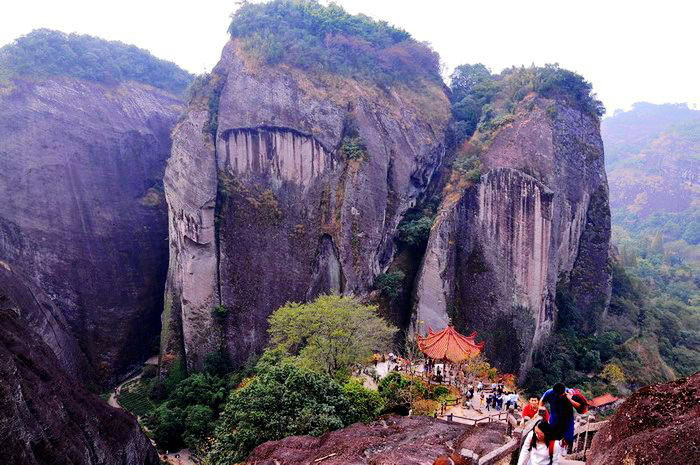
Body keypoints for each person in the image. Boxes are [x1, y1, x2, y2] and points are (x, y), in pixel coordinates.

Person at [540, 383, 581, 447]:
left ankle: (562, 445)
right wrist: (541, 410)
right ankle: (553, 450)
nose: (560, 396)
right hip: (554, 417)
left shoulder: (569, 392)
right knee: (553, 437)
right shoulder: (549, 393)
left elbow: (578, 406)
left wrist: (570, 399)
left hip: (568, 418)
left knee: (569, 439)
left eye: (561, 394)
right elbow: (542, 401)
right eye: (558, 395)